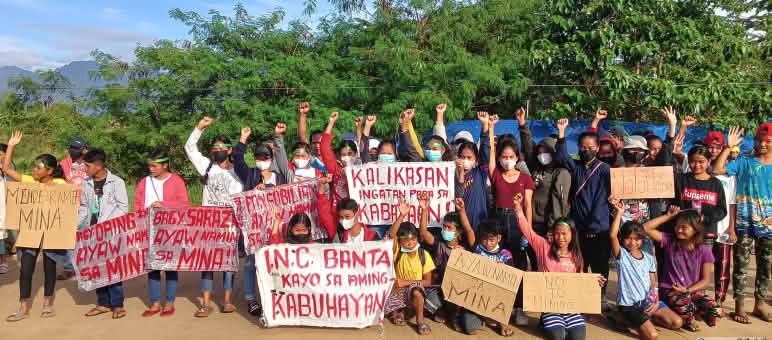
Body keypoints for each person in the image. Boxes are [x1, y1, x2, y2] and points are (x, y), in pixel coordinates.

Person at [514, 193, 606, 340]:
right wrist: (518, 208)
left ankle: (562, 323)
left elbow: (580, 280)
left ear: (572, 234)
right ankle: (545, 321)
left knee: (578, 337)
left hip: (571, 308)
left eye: (564, 234)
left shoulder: (577, 255)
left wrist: (594, 282)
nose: (560, 237)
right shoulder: (543, 247)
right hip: (550, 307)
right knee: (558, 336)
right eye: (557, 234)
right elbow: (528, 231)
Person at [4, 131, 68, 322]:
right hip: (31, 231)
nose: (34, 170)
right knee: (26, 270)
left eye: (38, 168)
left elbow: (69, 205)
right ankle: (23, 306)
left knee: (50, 268)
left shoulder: (61, 184)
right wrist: (11, 146)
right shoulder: (30, 182)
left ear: (49, 171)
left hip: (51, 232)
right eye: (34, 167)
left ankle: (48, 304)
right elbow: (6, 169)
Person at [184, 117, 244, 317]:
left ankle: (227, 301)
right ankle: (206, 303)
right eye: (214, 147)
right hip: (208, 225)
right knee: (207, 263)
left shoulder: (239, 172)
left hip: (230, 225)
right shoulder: (207, 167)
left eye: (220, 147)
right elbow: (190, 148)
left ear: (229, 150)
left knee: (228, 264)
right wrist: (199, 128)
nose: (216, 150)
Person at [713, 123, 772, 324]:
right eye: (759, 140)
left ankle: (760, 304)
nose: (763, 144)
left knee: (765, 266)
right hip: (744, 222)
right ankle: (739, 306)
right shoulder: (744, 162)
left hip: (770, 226)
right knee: (741, 266)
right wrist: (728, 147)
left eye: (768, 141)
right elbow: (717, 169)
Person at [554, 116, 613, 309]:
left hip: (600, 229)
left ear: (598, 148)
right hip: (579, 229)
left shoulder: (605, 170)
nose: (586, 150)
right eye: (583, 147)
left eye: (590, 147)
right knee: (580, 265)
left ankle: (601, 298)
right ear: (578, 147)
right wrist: (562, 133)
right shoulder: (576, 168)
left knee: (600, 267)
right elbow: (562, 157)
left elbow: (620, 188)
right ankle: (580, 299)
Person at [609, 198, 683, 339]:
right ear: (622, 239)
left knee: (677, 322)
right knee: (653, 336)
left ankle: (642, 319)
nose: (633, 242)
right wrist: (619, 212)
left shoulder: (648, 255)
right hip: (630, 305)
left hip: (648, 302)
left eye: (637, 239)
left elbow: (653, 281)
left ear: (642, 239)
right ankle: (622, 317)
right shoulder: (622, 255)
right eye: (628, 238)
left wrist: (655, 300)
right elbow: (612, 235)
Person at [643, 207, 720, 332]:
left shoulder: (704, 250)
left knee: (715, 311)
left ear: (695, 229)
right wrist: (668, 216)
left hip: (690, 292)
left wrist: (688, 290)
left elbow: (706, 280)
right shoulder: (669, 240)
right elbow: (646, 228)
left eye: (684, 227)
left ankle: (686, 315)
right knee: (685, 308)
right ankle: (684, 317)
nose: (678, 230)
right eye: (677, 226)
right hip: (670, 291)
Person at [134, 146, 189, 317]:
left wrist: (164, 204)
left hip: (171, 232)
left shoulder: (177, 181)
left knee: (170, 268)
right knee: (152, 268)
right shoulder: (145, 182)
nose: (151, 169)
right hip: (150, 231)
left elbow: (184, 204)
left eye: (154, 166)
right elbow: (137, 204)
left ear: (165, 165)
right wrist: (138, 225)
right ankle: (155, 302)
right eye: (149, 166)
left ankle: (170, 302)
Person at [78, 149, 130, 319]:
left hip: (111, 233)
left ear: (99, 165)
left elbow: (123, 208)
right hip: (91, 233)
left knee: (112, 268)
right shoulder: (86, 183)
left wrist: (106, 225)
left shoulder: (117, 183)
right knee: (96, 269)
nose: (84, 168)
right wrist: (77, 226)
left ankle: (117, 304)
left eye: (87, 165)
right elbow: (84, 206)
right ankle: (103, 303)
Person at [417, 195, 475, 325]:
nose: (445, 230)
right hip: (439, 288)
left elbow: (469, 230)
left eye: (449, 228)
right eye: (444, 227)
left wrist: (462, 211)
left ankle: (454, 314)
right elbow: (423, 232)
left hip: (459, 290)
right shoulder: (439, 244)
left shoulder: (465, 246)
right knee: (428, 301)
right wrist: (424, 210)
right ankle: (441, 311)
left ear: (458, 232)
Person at [386, 200, 440, 335]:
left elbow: (428, 281)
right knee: (392, 290)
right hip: (398, 292)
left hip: (416, 290)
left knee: (416, 290)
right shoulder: (397, 251)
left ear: (417, 239)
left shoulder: (423, 254)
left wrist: (407, 282)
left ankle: (420, 320)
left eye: (413, 239)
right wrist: (401, 215)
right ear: (400, 241)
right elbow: (392, 235)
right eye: (406, 240)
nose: (410, 243)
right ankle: (400, 311)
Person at [517, 107, 571, 240]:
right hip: (532, 222)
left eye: (545, 152)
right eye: (540, 152)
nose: (542, 155)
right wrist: (522, 124)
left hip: (548, 227)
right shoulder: (536, 168)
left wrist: (553, 228)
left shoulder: (560, 173)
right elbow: (529, 147)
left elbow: (559, 202)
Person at [459, 219, 515, 336]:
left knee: (504, 293)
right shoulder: (478, 249)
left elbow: (511, 283)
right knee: (469, 327)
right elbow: (469, 230)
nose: (488, 243)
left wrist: (503, 271)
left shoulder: (506, 255)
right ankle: (484, 317)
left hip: (497, 298)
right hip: (477, 297)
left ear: (498, 238)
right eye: (484, 239)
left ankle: (502, 322)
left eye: (491, 240)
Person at [673, 144, 727, 248]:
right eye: (693, 161)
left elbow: (722, 210)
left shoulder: (716, 184)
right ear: (688, 161)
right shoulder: (680, 180)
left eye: (701, 162)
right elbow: (673, 202)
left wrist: (705, 218)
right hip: (683, 233)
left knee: (704, 263)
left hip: (707, 234)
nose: (697, 165)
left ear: (709, 162)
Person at [58, 136, 89, 280]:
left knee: (86, 238)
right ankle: (69, 268)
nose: (73, 151)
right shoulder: (63, 164)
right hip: (68, 206)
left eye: (76, 149)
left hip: (87, 207)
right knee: (67, 239)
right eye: (71, 148)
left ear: (85, 150)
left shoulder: (90, 164)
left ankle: (86, 268)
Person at [455, 111, 493, 231]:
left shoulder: (479, 173)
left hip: (479, 226)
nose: (465, 160)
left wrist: (485, 127)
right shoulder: (451, 175)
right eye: (462, 156)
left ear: (476, 160)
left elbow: (485, 151)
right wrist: (460, 173)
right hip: (459, 228)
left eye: (469, 158)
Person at [296, 101, 329, 173]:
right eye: (314, 143)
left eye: (320, 143)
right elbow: (303, 138)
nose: (317, 146)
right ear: (310, 144)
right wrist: (303, 114)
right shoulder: (311, 159)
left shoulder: (332, 159)